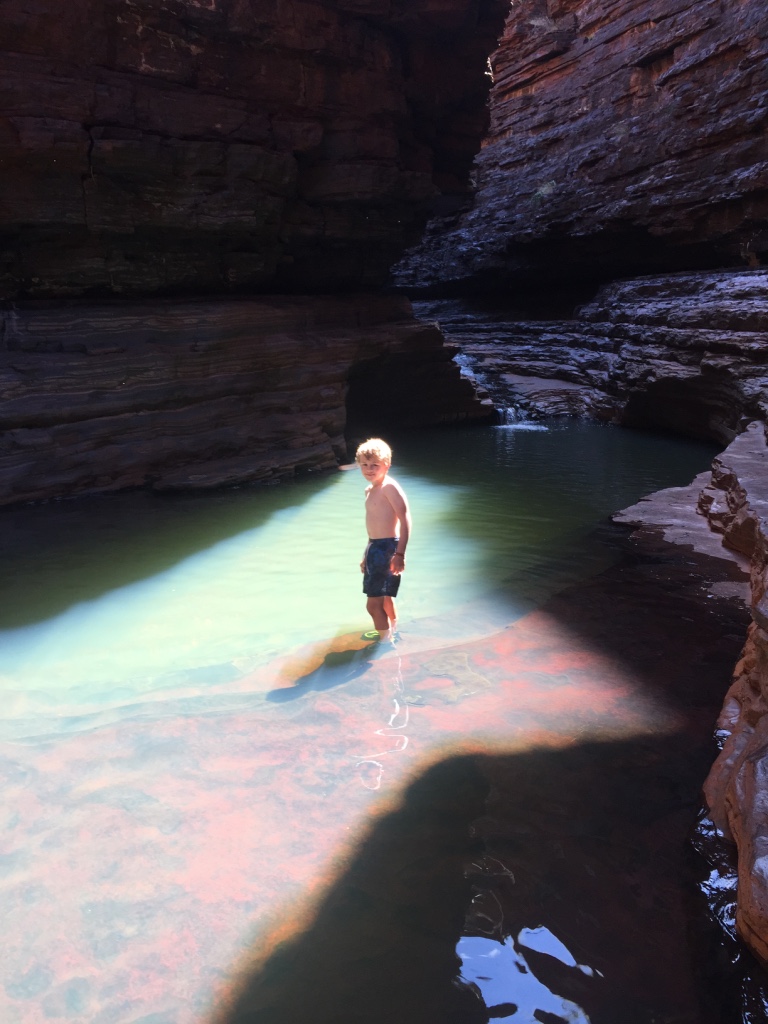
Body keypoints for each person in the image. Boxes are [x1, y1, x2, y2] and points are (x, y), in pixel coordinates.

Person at [355, 438, 411, 642]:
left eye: (375, 465)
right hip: (375, 547)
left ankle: (385, 641)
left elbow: (405, 520)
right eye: (364, 464)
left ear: (387, 465)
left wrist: (400, 554)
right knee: (385, 597)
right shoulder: (369, 490)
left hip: (387, 548)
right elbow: (373, 528)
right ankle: (392, 630)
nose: (369, 469)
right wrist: (366, 555)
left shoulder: (389, 487)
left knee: (372, 605)